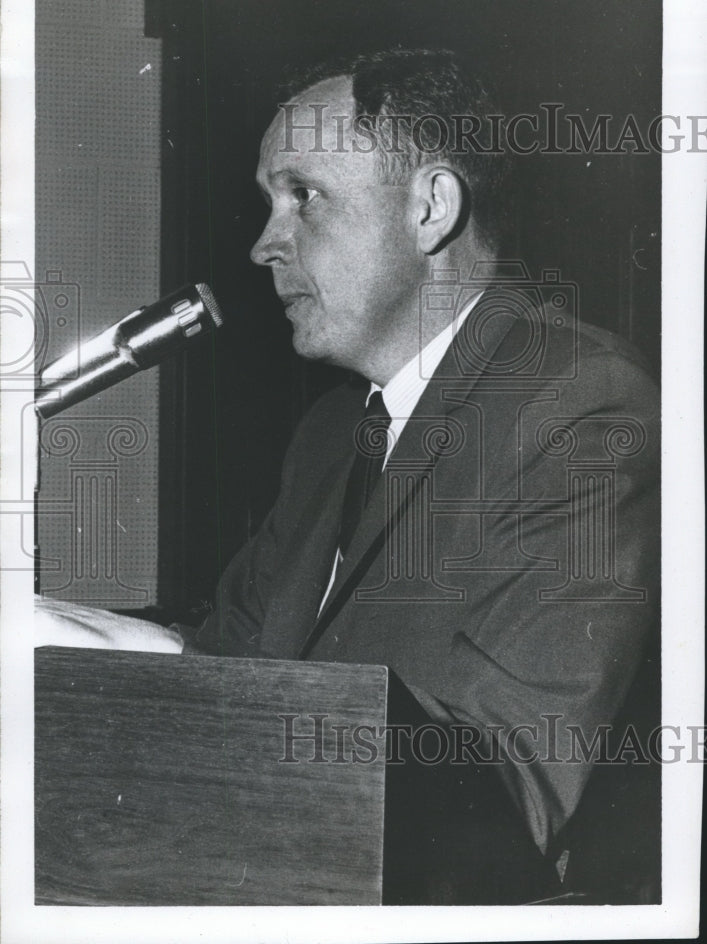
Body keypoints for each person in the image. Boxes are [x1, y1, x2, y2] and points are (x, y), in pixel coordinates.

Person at [38, 49, 660, 904]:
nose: (264, 243)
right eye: (269, 201)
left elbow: (506, 789)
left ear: (431, 208)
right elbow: (236, 659)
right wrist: (73, 639)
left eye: (304, 195)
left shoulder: (580, 407)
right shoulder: (334, 432)